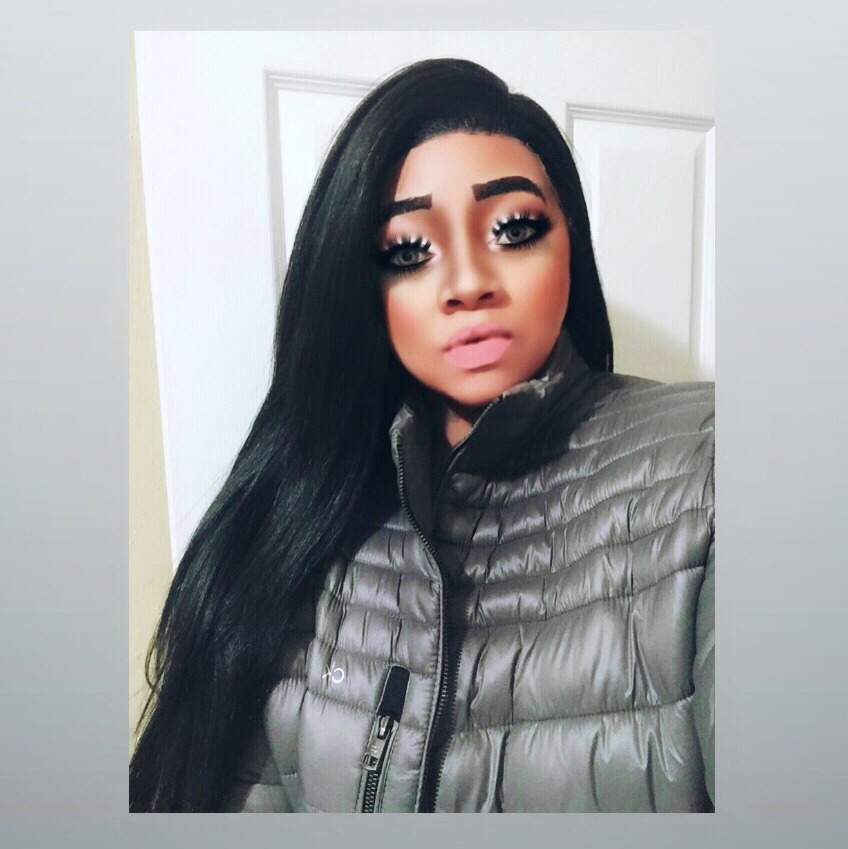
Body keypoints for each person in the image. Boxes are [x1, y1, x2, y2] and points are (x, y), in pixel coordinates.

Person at [129, 57, 714, 813]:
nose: (467, 282)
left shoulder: (708, 464)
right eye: (409, 251)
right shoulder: (295, 520)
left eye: (514, 229)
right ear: (359, 283)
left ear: (571, 241)